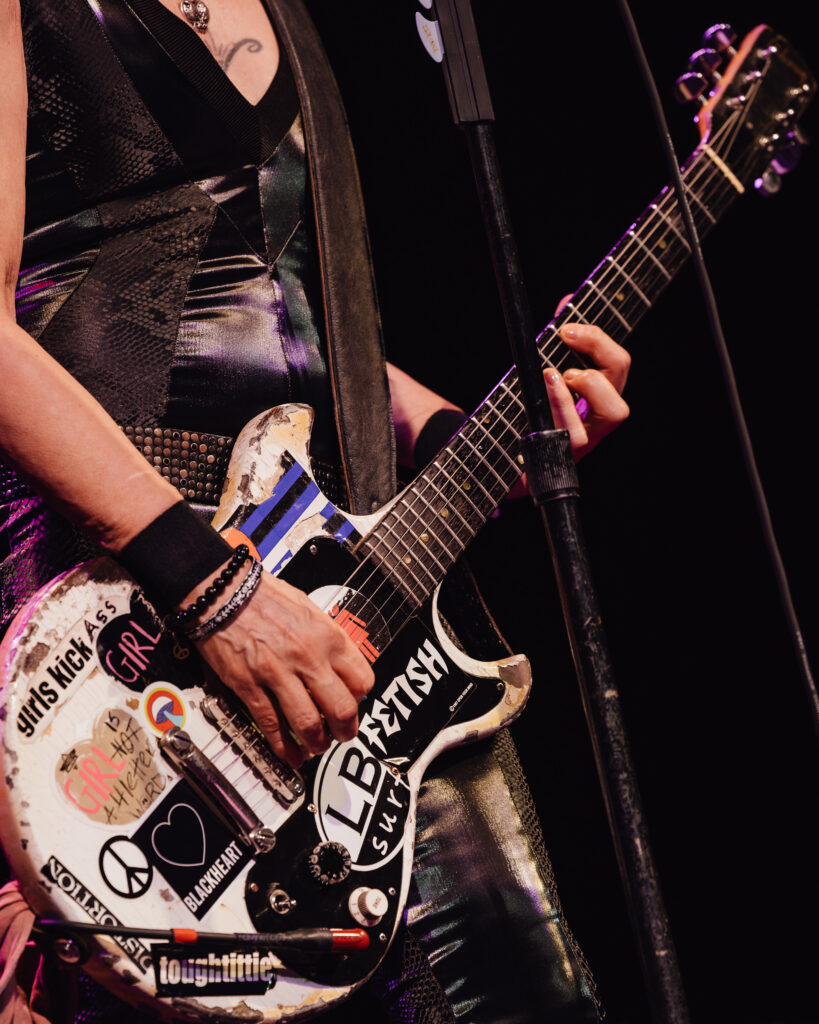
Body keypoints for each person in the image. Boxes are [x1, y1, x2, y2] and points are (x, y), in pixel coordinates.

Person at [0, 0, 629, 1020]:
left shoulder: (294, 17)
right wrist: (212, 586)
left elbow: (288, 310)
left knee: (518, 988)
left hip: (344, 600)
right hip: (127, 615)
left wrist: (460, 433)